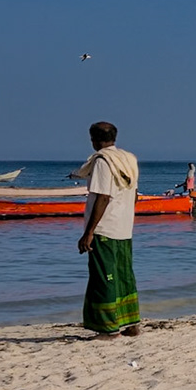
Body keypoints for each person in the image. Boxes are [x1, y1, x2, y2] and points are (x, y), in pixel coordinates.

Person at [74, 121, 141, 338]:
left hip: (105, 228)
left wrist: (89, 232)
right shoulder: (128, 159)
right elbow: (135, 195)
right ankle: (131, 323)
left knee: (104, 277)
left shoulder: (103, 161)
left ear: (93, 139)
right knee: (123, 276)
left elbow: (103, 196)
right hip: (124, 227)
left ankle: (109, 329)